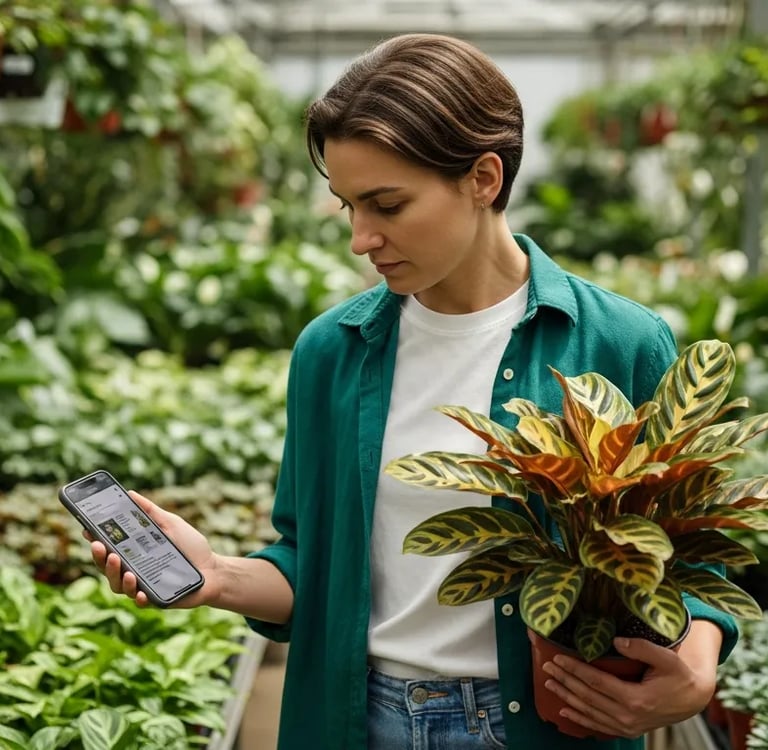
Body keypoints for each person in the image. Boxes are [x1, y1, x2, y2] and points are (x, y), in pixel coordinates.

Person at [89, 32, 738, 750]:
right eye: (347, 206)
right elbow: (310, 566)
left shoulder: (619, 343)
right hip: (358, 723)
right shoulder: (331, 352)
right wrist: (214, 576)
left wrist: (697, 666)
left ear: (483, 178)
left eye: (387, 205)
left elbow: (694, 559)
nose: (360, 238)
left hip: (549, 726)